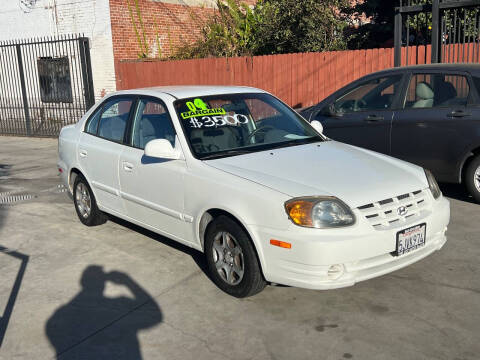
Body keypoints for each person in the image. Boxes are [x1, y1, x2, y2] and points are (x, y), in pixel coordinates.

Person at [46, 265, 162, 359]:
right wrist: (129, 282)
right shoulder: (119, 305)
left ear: (83, 282)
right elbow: (154, 315)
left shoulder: (60, 315)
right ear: (104, 283)